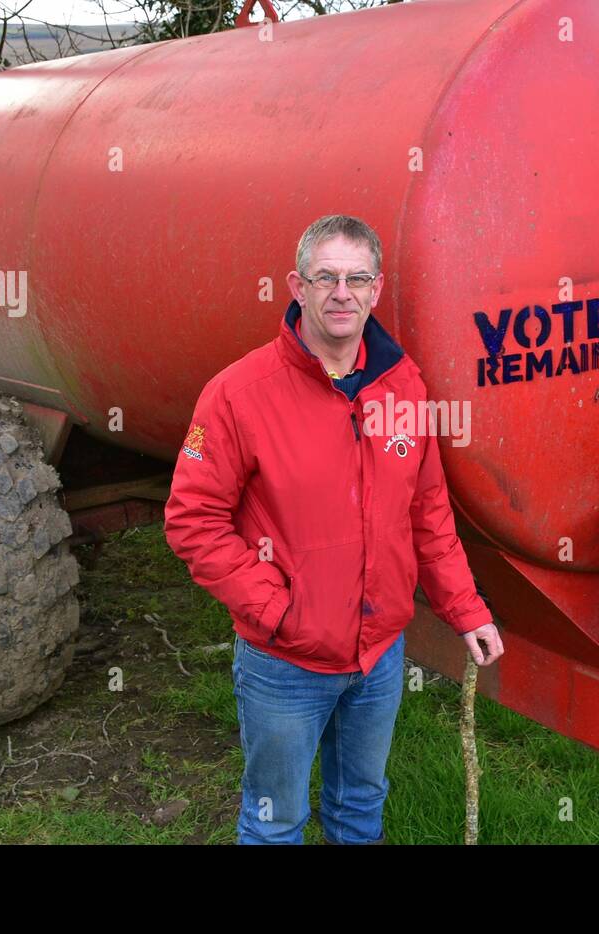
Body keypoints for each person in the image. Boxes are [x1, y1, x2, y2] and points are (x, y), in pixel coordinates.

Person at [163, 214, 504, 845]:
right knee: (276, 821)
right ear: (297, 286)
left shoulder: (404, 387)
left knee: (359, 807)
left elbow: (428, 514)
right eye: (326, 277)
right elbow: (192, 519)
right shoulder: (238, 394)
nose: (341, 292)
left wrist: (466, 609)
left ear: (377, 290)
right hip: (285, 661)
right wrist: (274, 608)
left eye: (357, 278)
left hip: (378, 656)